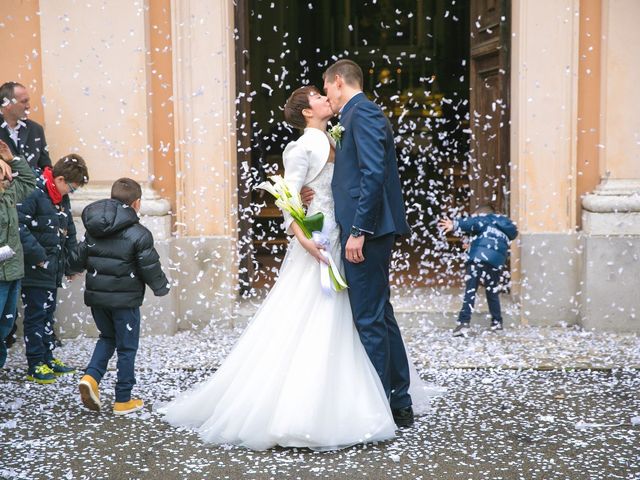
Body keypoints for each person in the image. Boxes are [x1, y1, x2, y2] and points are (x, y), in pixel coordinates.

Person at [159, 85, 437, 451]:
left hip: (343, 235)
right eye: (319, 97)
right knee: (317, 312)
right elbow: (288, 198)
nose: (327, 99)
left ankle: (362, 393)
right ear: (307, 111)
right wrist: (304, 237)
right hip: (321, 240)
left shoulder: (337, 138)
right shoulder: (301, 146)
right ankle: (309, 404)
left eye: (326, 94)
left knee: (356, 314)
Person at [322, 59, 414, 427]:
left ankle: (378, 409)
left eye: (326, 86)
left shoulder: (364, 113)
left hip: (369, 232)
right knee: (380, 315)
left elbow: (374, 172)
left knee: (369, 319)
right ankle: (398, 400)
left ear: (339, 82)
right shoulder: (354, 116)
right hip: (367, 229)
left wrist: (359, 229)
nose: (326, 93)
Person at [76, 178, 170, 415]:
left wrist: (68, 269)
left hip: (98, 299)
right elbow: (150, 267)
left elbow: (80, 255)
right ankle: (123, 399)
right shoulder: (139, 234)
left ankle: (91, 377)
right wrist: (161, 288)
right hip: (125, 302)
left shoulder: (94, 227)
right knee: (127, 348)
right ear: (137, 203)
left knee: (107, 337)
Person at [17, 154, 88, 383]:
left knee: (47, 314)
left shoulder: (59, 197)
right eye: (72, 188)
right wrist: (39, 256)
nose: (71, 193)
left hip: (52, 267)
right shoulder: (35, 193)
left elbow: (68, 230)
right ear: (59, 179)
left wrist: (71, 264)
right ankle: (35, 363)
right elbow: (19, 226)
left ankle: (47, 358)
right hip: (35, 268)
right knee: (36, 315)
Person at [438, 204, 518, 337]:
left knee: (471, 289)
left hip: (478, 259)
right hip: (496, 261)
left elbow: (472, 223)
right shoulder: (503, 225)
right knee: (492, 291)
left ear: (482, 215)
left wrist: (455, 224)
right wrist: (472, 244)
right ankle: (497, 323)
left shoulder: (485, 219)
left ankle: (463, 322)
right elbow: (490, 239)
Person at [0, 140, 36, 368]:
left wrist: (11, 159)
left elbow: (29, 181)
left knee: (5, 325)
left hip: (12, 272)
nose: (8, 177)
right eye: (4, 175)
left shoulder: (9, 193)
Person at [0, 82, 51, 171]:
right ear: (7, 103)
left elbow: (45, 165)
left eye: (28, 101)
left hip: (32, 184)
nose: (28, 106)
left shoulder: (36, 129)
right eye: (24, 101)